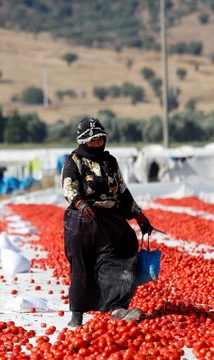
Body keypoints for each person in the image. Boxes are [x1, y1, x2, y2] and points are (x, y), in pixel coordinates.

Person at [61, 117, 153, 328]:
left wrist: (139, 216)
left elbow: (122, 191)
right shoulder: (74, 161)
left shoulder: (110, 162)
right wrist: (81, 203)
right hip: (82, 222)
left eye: (100, 139)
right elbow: (68, 187)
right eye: (93, 140)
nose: (98, 143)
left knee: (121, 256)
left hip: (110, 220)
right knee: (82, 266)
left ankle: (116, 307)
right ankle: (77, 314)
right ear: (84, 141)